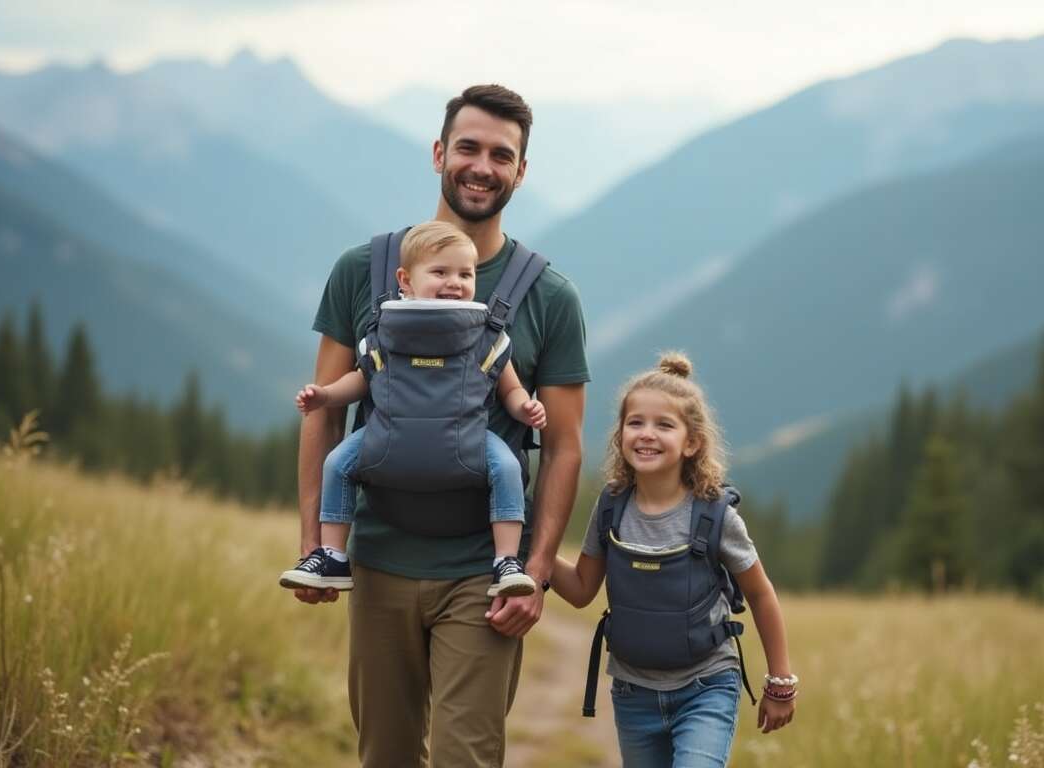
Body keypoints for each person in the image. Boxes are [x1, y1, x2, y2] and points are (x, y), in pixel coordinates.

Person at [293, 84, 589, 767]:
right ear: (438, 153)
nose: (482, 165)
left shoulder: (549, 296)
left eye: (501, 154)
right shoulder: (362, 272)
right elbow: (326, 413)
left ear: (521, 171)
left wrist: (536, 573)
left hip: (482, 575)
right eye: (468, 148)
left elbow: (565, 444)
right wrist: (314, 545)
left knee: (466, 757)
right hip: (377, 561)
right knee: (385, 756)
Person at [549, 352, 796, 767]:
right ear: (620, 434)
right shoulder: (611, 507)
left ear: (692, 442)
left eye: (664, 425)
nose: (647, 434)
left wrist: (780, 684)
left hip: (707, 686)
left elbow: (761, 594)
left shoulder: (716, 515)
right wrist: (531, 549)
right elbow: (579, 590)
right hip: (632, 693)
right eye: (636, 423)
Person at [278, 220, 547, 598]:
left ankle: (505, 560)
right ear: (405, 280)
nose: (454, 282)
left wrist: (525, 409)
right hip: (386, 431)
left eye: (465, 274)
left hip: (468, 434)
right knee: (336, 463)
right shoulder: (386, 328)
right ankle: (332, 555)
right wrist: (325, 396)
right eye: (440, 272)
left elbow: (511, 387)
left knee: (506, 467)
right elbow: (362, 377)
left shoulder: (486, 334)